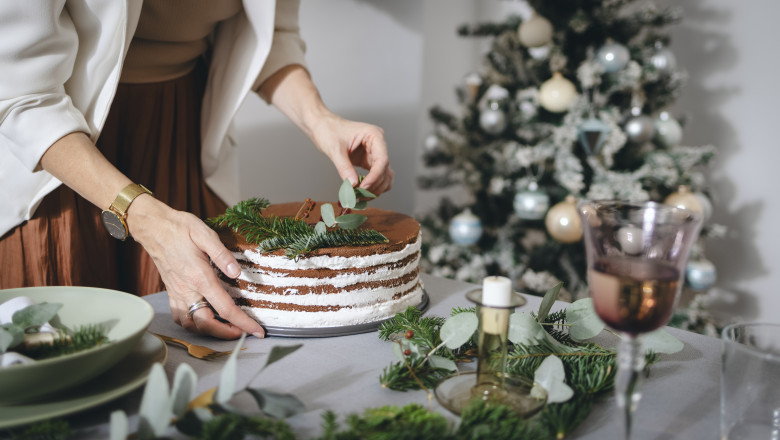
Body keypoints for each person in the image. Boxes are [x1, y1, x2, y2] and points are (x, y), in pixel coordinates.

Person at [0, 1, 394, 340]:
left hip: (179, 136)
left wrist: (320, 120)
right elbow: (20, 91)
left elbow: (269, 35)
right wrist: (142, 216)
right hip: (58, 160)